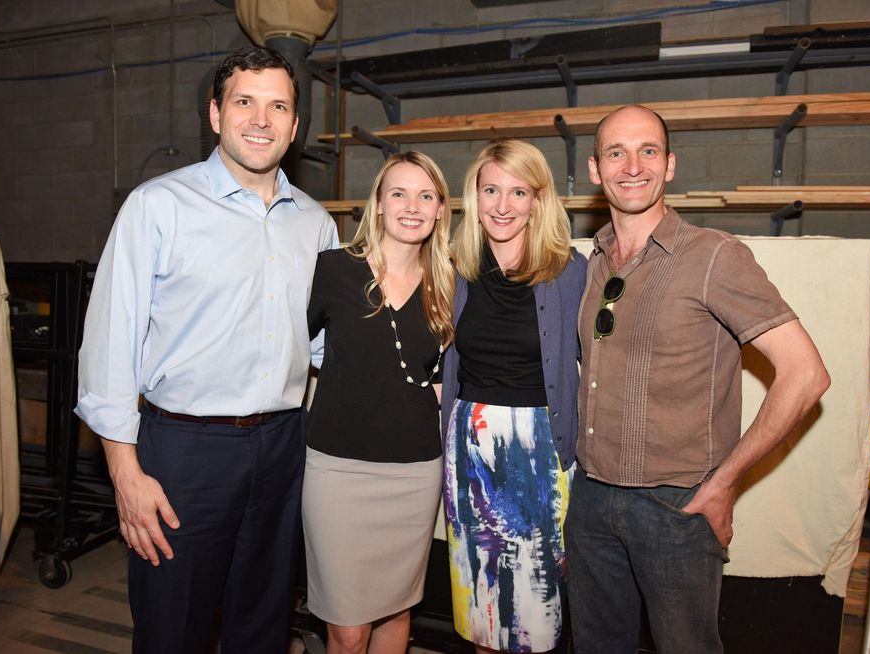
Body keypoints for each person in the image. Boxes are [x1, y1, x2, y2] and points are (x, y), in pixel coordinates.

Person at [75, 46, 338, 653]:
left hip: (282, 448)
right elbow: (109, 347)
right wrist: (125, 474)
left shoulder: (317, 224)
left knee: (263, 623)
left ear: (295, 127)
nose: (261, 120)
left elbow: (327, 346)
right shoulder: (158, 206)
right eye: (245, 102)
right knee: (175, 627)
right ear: (215, 114)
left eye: (278, 107)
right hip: (185, 454)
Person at [566, 104, 831, 654]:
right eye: (616, 152)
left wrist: (725, 481)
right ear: (595, 170)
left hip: (675, 508)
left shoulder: (714, 256)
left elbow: (806, 375)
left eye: (648, 151)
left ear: (669, 165)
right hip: (590, 497)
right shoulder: (592, 262)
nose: (632, 165)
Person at [302, 151, 454, 654]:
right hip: (337, 469)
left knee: (397, 610)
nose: (412, 206)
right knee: (346, 630)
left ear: (439, 210)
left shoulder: (451, 283)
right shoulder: (333, 270)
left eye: (425, 196)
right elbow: (282, 350)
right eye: (399, 193)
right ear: (380, 205)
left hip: (413, 472)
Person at [441, 139, 587, 654]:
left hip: (540, 453)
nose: (503, 206)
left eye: (518, 191)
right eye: (491, 190)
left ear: (538, 199)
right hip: (470, 451)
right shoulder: (453, 266)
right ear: (474, 196)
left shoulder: (571, 271)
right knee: (484, 612)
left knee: (537, 620)